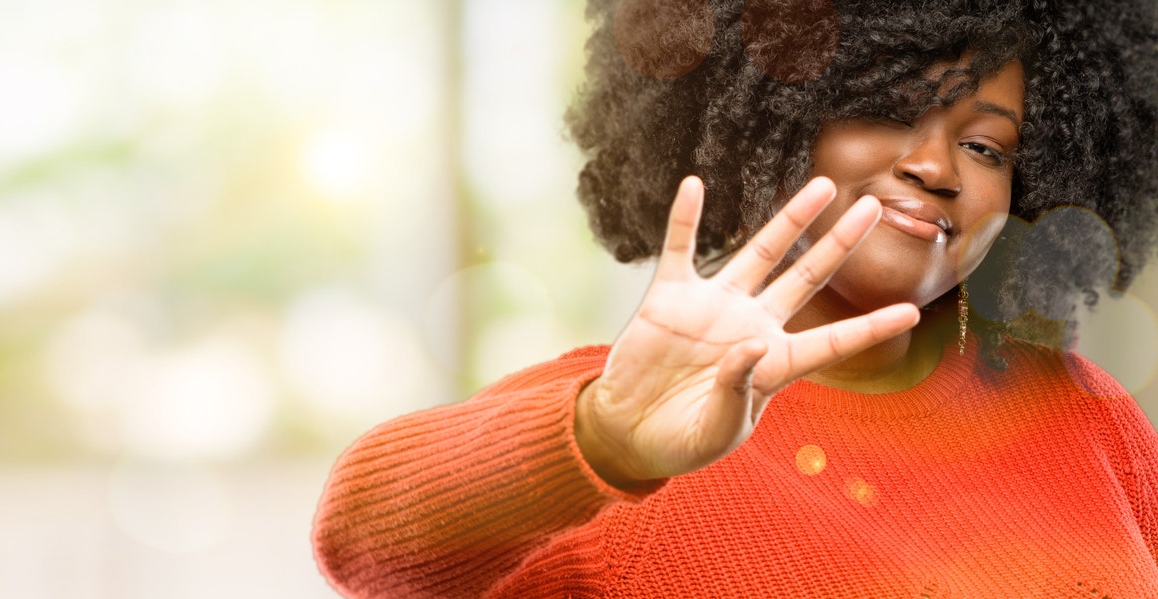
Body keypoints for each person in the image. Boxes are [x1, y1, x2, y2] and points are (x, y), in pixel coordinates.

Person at [313, 0, 1158, 596]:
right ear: (768, 119)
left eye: (984, 145)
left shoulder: (1087, 414)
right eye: (887, 109)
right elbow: (358, 544)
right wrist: (604, 439)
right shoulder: (636, 420)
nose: (936, 167)